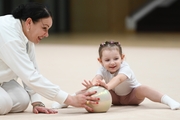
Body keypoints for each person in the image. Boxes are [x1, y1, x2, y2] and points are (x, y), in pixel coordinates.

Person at [0, 2, 99, 115]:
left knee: (22, 100)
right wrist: (70, 99)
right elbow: (30, 76)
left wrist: (37, 102)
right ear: (29, 22)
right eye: (44, 28)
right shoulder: (9, 36)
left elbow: (31, 68)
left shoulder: (24, 31)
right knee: (5, 104)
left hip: (3, 80)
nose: (46, 34)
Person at [53, 41, 180, 110]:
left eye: (116, 58)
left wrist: (107, 86)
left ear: (122, 58)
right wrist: (93, 85)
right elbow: (97, 78)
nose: (112, 63)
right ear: (100, 61)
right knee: (89, 90)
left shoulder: (126, 68)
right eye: (107, 60)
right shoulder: (102, 69)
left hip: (132, 96)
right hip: (114, 97)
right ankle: (65, 101)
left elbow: (118, 79)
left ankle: (169, 101)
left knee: (143, 88)